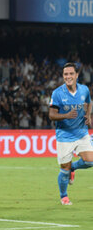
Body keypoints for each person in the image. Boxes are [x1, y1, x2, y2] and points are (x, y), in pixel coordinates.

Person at [49, 62, 93, 205]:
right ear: (63, 76)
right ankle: (64, 196)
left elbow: (88, 102)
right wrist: (66, 115)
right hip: (64, 136)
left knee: (90, 161)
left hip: (81, 133)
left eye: (71, 74)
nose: (68, 76)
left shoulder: (84, 90)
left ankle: (74, 167)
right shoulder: (57, 93)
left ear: (76, 75)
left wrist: (88, 115)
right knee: (64, 170)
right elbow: (51, 115)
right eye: (65, 74)